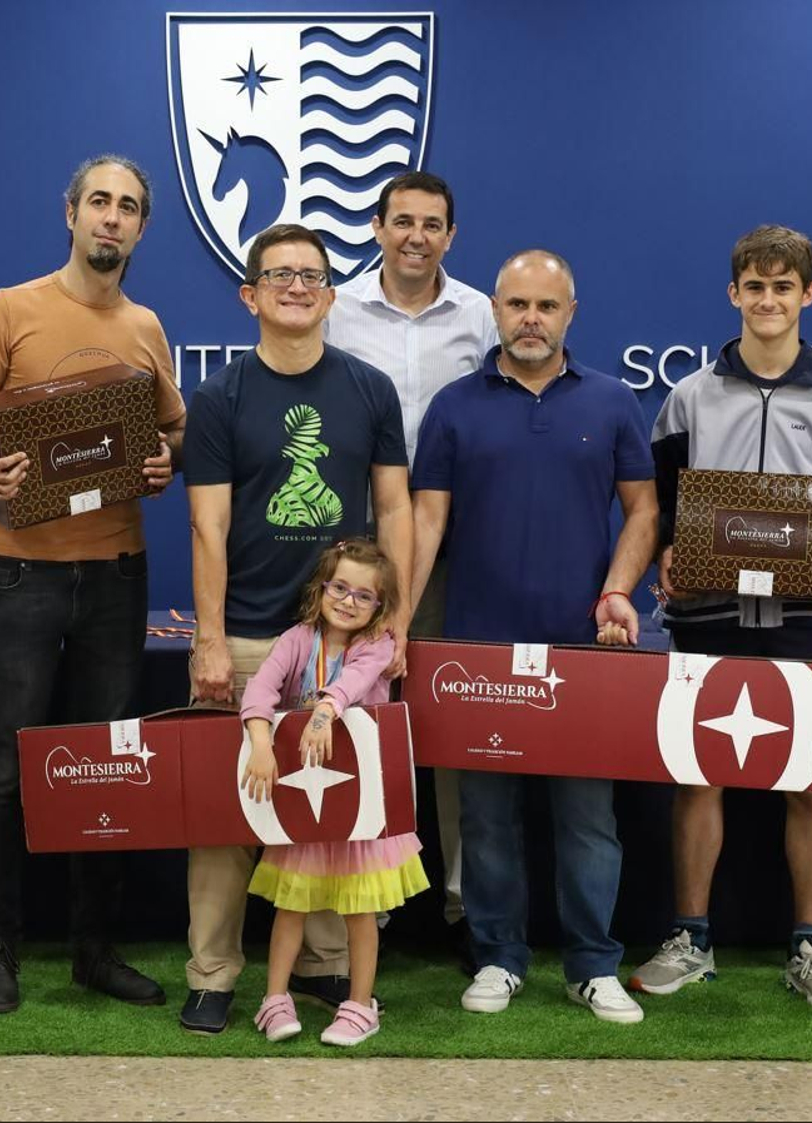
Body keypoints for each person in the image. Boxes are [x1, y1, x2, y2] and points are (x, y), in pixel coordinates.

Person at [0, 154, 186, 1015]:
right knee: (3, 771)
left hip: (116, 573)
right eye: (99, 202)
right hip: (18, 572)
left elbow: (173, 431)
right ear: (70, 212)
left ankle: (93, 949)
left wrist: (163, 459)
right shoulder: (9, 308)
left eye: (128, 207)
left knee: (105, 766)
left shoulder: (147, 326)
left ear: (142, 227)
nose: (112, 217)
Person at [631, 225, 812, 1011]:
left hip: (809, 624)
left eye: (783, 287)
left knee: (810, 784)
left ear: (808, 294)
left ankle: (809, 945)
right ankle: (690, 937)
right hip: (706, 617)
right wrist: (666, 547)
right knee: (697, 777)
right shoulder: (689, 396)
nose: (768, 299)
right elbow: (663, 504)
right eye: (755, 286)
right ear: (733, 293)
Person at [411, 249, 657, 1024]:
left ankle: (593, 965)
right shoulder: (454, 406)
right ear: (495, 309)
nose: (530, 319)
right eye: (517, 304)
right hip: (477, 650)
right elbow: (425, 521)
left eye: (546, 306)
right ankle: (497, 955)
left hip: (583, 652)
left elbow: (644, 511)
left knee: (587, 821)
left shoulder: (612, 401)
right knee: (486, 819)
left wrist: (617, 590)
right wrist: (395, 625)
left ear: (569, 313)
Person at [182, 222, 413, 1034]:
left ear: (331, 294)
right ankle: (213, 972)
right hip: (250, 634)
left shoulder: (370, 389)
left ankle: (321, 965)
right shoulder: (220, 398)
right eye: (279, 275)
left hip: (345, 648)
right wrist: (211, 638)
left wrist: (397, 625)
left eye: (310, 274)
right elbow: (208, 526)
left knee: (333, 804)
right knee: (226, 818)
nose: (296, 286)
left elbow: (394, 507)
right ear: (250, 295)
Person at [323, 171, 497, 966]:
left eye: (432, 224)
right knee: (360, 720)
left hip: (457, 552)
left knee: (452, 726)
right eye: (402, 222)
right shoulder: (340, 311)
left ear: (450, 235)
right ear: (377, 228)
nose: (416, 237)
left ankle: (461, 904)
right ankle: (372, 903)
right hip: (354, 555)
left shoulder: (481, 315)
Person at [240, 539, 428, 1047]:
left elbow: (356, 681)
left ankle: (360, 1005)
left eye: (364, 596)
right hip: (304, 802)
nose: (348, 601)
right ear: (320, 589)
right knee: (291, 905)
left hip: (360, 805)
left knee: (359, 910)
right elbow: (260, 690)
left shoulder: (378, 646)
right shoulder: (297, 639)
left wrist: (323, 711)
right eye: (339, 588)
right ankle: (274, 998)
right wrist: (261, 742)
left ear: (380, 606)